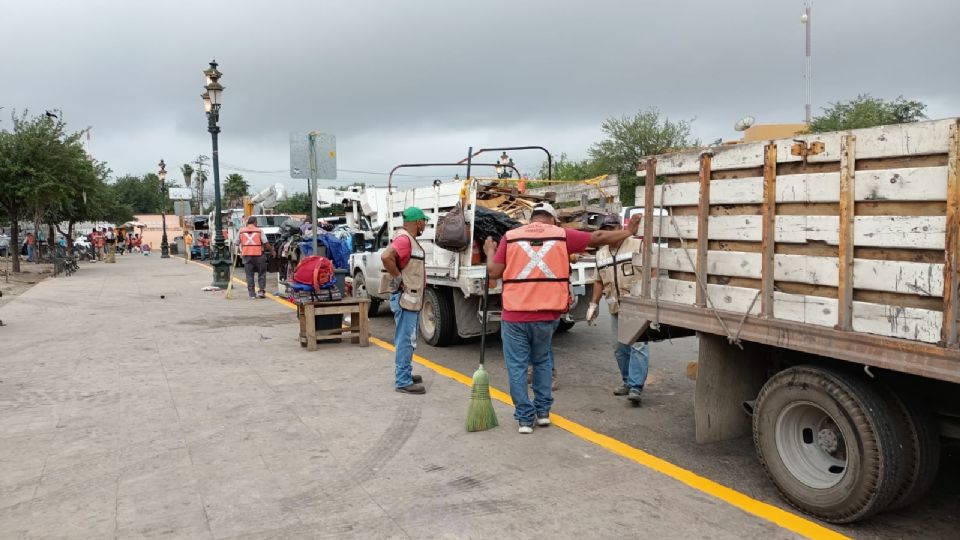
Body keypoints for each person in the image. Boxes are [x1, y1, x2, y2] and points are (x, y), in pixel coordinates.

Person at [484, 202, 642, 434]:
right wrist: (628, 231)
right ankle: (543, 412)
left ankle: (525, 420)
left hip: (515, 314)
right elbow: (597, 237)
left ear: (532, 219)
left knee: (517, 367)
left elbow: (494, 273)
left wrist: (489, 252)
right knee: (542, 361)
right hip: (547, 314)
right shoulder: (561, 235)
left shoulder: (510, 237)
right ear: (553, 219)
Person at [586, 214, 650, 405]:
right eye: (605, 229)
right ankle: (627, 382)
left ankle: (636, 387)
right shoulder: (601, 253)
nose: (609, 233)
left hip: (637, 305)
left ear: (619, 229)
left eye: (612, 229)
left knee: (638, 346)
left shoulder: (637, 245)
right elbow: (598, 280)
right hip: (615, 307)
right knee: (620, 349)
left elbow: (651, 271)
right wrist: (593, 304)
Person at [380, 207, 429, 395]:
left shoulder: (407, 239)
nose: (425, 224)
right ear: (417, 222)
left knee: (408, 339)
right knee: (405, 340)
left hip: (410, 298)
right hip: (406, 298)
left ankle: (406, 373)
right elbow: (386, 256)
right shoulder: (404, 239)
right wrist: (398, 277)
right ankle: (402, 380)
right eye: (424, 221)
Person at [238, 216, 271, 298]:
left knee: (249, 275)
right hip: (259, 255)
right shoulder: (259, 231)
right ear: (255, 222)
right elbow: (266, 242)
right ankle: (261, 291)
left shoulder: (241, 231)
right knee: (261, 273)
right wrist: (272, 251)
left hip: (246, 255)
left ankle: (252, 294)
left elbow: (236, 242)